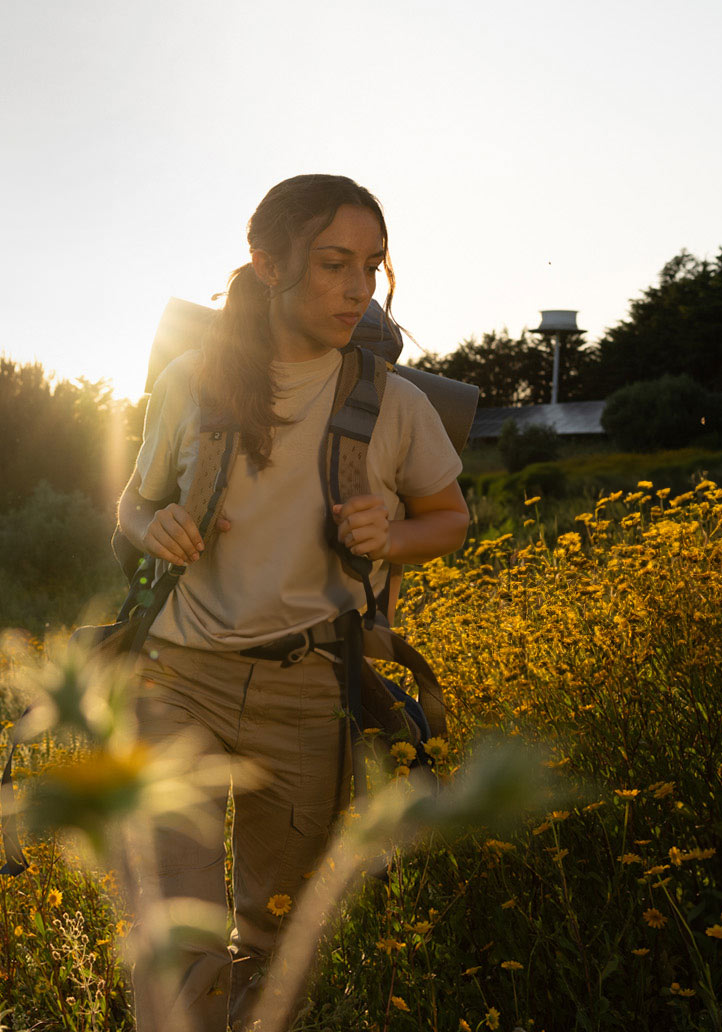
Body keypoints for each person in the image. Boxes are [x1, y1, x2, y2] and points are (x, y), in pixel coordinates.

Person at [114, 174, 470, 1030]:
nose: (357, 289)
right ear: (268, 265)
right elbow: (130, 502)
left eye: (372, 268)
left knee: (271, 939)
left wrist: (391, 534)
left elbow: (450, 519)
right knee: (177, 935)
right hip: (177, 681)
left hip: (312, 689)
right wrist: (152, 524)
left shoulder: (397, 405)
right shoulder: (194, 381)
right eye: (333, 264)